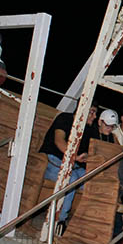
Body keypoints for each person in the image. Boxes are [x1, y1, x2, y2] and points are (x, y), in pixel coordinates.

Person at [39, 101, 99, 235]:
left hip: (74, 166)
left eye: (95, 113)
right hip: (52, 161)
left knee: (92, 183)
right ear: (82, 109)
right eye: (92, 112)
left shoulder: (91, 129)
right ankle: (58, 221)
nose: (94, 116)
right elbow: (59, 140)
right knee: (71, 179)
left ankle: (86, 228)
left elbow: (94, 151)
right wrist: (75, 157)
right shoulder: (64, 118)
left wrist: (87, 157)